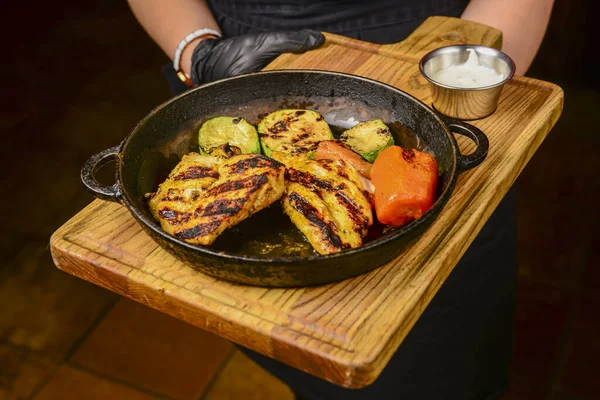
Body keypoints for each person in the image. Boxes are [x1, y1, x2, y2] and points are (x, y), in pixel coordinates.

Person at [126, 1, 555, 399]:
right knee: (300, 361)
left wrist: (469, 76)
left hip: (441, 54)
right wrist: (195, 50)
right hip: (243, 53)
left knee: (440, 363)